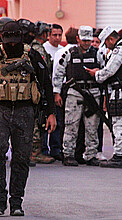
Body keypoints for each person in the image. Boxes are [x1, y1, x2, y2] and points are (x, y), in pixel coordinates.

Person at [0, 21, 56, 216]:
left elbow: (46, 82)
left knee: (21, 159)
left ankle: (16, 202)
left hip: (25, 111)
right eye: (9, 41)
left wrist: (50, 113)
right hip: (1, 111)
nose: (12, 45)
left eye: (16, 41)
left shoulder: (32, 55)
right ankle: (0, 201)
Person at [87, 26, 122, 168]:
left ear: (111, 39)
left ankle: (118, 156)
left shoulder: (120, 50)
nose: (107, 47)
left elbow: (109, 71)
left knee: (119, 124)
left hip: (121, 92)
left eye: (106, 43)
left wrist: (96, 74)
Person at [53, 25, 101, 166]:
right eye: (84, 40)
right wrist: (57, 93)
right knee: (71, 125)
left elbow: (105, 72)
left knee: (92, 126)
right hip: (74, 93)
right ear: (78, 38)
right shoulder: (69, 53)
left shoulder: (97, 54)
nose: (86, 43)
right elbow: (58, 74)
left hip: (93, 94)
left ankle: (91, 155)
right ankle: (68, 154)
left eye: (88, 40)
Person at [30, 21, 55, 164]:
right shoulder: (37, 49)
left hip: (38, 89)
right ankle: (34, 152)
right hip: (38, 90)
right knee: (36, 121)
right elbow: (43, 71)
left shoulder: (36, 48)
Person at [42, 24, 64, 161]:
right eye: (54, 35)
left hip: (58, 90)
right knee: (45, 120)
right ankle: (43, 149)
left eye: (59, 35)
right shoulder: (43, 48)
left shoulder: (63, 50)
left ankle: (55, 148)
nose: (57, 38)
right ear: (49, 35)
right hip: (45, 89)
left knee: (58, 119)